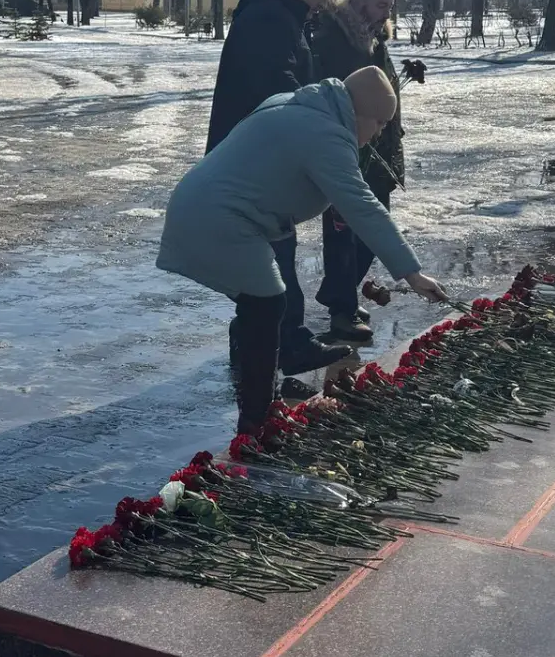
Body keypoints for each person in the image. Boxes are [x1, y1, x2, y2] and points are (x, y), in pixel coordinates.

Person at [159, 67, 448, 433]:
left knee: (262, 306)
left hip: (212, 209)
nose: (378, 133)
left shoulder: (302, 106)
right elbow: (362, 206)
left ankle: (266, 394)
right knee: (266, 304)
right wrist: (412, 273)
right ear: (358, 111)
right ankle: (258, 417)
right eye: (378, 122)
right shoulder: (324, 132)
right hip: (219, 218)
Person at [204, 0, 343, 376]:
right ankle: (283, 347)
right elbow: (276, 84)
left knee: (273, 253)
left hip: (260, 152)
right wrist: (317, 107)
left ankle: (262, 344)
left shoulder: (282, 14)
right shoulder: (269, 18)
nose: (321, 5)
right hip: (254, 157)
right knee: (275, 254)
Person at [309, 0, 406, 345]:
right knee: (343, 233)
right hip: (347, 147)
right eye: (381, 5)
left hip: (379, 148)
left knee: (374, 228)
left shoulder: (375, 36)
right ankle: (342, 310)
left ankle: (340, 293)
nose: (386, 14)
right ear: (360, 0)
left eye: (390, 7)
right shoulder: (333, 36)